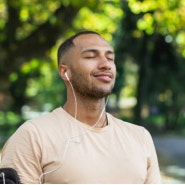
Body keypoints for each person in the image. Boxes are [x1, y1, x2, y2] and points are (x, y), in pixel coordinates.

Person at [0, 31, 161, 184]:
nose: (106, 64)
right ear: (65, 72)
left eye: (110, 58)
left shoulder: (140, 137)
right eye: (91, 56)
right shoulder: (33, 136)